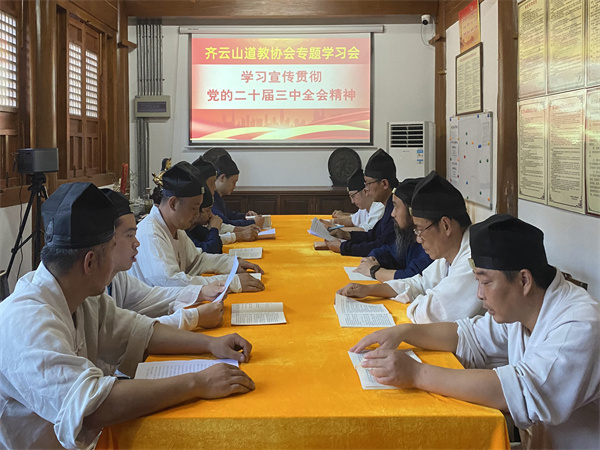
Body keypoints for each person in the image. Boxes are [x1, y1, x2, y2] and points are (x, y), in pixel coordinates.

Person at [0, 182, 255, 449]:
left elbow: (137, 331)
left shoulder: (82, 294)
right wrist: (197, 382)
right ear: (89, 262)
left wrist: (209, 344)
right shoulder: (26, 321)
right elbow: (92, 407)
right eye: (112, 246)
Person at [351, 214, 600, 450]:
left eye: (486, 282)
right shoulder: (522, 308)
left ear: (524, 281)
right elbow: (469, 335)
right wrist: (404, 332)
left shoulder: (580, 324)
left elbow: (524, 390)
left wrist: (416, 373)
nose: (479, 295)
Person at [338, 171, 483, 323]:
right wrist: (370, 290)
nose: (419, 239)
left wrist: (417, 301)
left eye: (421, 230)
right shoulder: (450, 253)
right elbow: (419, 283)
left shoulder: (473, 260)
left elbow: (429, 314)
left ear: (445, 225)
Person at [130, 161, 264, 293]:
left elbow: (197, 261)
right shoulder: (150, 233)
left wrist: (232, 264)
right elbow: (172, 283)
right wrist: (231, 282)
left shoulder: (176, 228)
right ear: (173, 203)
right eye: (193, 208)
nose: (196, 215)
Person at [103, 189, 224, 329]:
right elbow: (124, 330)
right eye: (129, 235)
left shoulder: (118, 277)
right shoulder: (150, 233)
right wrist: (194, 317)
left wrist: (202, 292)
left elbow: (152, 296)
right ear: (105, 241)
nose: (137, 243)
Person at [353, 177, 433, 281]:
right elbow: (390, 252)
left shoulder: (430, 240)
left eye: (396, 207)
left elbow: (412, 276)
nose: (392, 214)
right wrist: (373, 258)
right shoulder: (409, 235)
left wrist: (374, 270)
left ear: (412, 211)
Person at [326, 149, 398, 256]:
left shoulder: (397, 209)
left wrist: (343, 248)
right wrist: (346, 235)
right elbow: (373, 235)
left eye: (369, 184)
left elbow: (379, 245)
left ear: (384, 184)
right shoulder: (388, 205)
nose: (366, 189)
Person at [192, 157, 260, 244]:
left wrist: (245, 218)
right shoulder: (197, 204)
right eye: (212, 183)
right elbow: (220, 223)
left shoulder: (215, 198)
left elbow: (226, 217)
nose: (215, 187)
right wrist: (251, 223)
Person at [212, 154, 265, 229]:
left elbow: (230, 215)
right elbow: (225, 223)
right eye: (233, 182)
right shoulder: (210, 198)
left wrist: (245, 216)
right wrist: (252, 222)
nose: (235, 186)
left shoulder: (218, 197)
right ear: (222, 178)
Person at [186, 187, 224, 254]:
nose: (211, 215)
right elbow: (209, 251)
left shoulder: (196, 228)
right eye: (208, 210)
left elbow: (218, 248)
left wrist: (212, 231)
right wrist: (214, 229)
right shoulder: (183, 232)